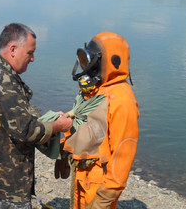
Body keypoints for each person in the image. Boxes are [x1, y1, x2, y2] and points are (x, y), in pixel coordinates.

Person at [0, 23, 73, 208]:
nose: (33, 59)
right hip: (5, 181)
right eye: (30, 53)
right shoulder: (4, 82)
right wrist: (58, 126)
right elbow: (24, 131)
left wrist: (48, 118)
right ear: (12, 49)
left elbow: (12, 120)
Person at [57, 32, 140, 209]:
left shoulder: (122, 100)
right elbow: (85, 123)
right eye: (84, 61)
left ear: (109, 62)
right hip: (80, 174)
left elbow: (122, 156)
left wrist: (103, 200)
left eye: (89, 61)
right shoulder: (94, 90)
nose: (86, 67)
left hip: (98, 182)